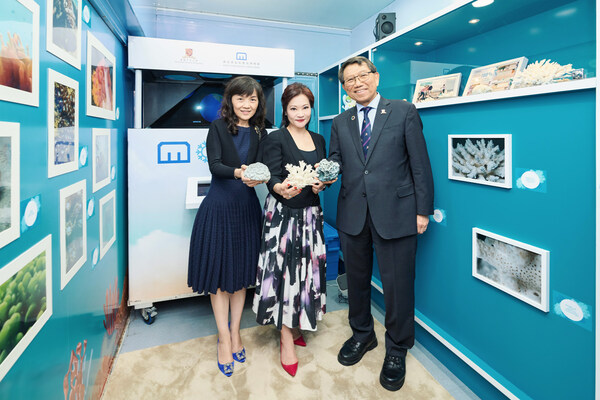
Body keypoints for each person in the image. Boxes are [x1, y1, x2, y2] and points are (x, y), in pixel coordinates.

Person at [329, 56, 434, 391]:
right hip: (353, 213)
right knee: (356, 281)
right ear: (344, 87)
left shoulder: (403, 111)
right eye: (350, 80)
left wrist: (423, 210)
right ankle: (363, 335)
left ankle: (397, 347)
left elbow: (420, 164)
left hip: (398, 213)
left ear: (375, 76)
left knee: (398, 284)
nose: (357, 83)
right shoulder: (340, 121)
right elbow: (336, 160)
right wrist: (321, 174)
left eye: (363, 75)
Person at [187, 76, 267, 377]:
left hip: (247, 208)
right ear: (230, 100)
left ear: (259, 103)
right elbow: (215, 166)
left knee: (241, 276)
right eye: (240, 98)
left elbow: (262, 168)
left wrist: (260, 177)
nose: (246, 104)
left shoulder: (260, 131)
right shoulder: (218, 127)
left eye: (253, 99)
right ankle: (223, 337)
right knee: (220, 277)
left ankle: (236, 332)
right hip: (219, 208)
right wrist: (239, 172)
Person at [253, 82, 331, 377]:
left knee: (306, 273)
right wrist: (278, 188)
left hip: (311, 214)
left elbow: (323, 174)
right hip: (283, 216)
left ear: (311, 108)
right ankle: (285, 337)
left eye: (305, 107)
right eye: (294, 108)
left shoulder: (319, 139)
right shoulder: (276, 139)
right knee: (284, 274)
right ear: (285, 110)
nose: (301, 113)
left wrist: (323, 184)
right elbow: (270, 175)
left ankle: (296, 322)